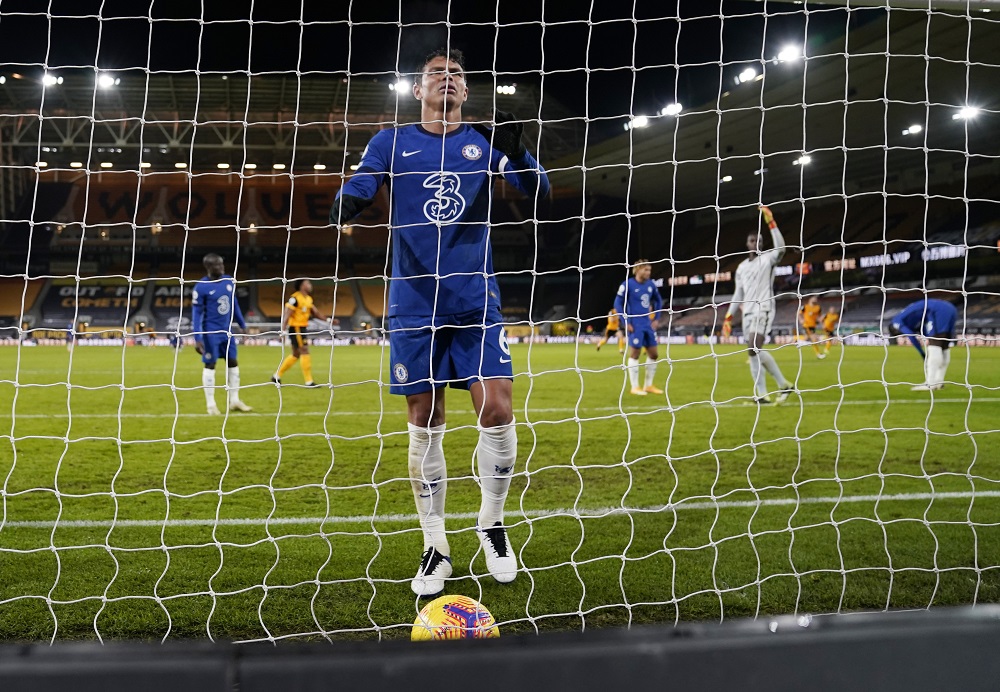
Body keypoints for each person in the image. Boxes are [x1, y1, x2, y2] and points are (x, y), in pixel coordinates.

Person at [330, 48, 549, 597]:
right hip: (411, 303)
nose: (446, 81)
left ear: (466, 92)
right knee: (425, 417)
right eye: (436, 75)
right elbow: (361, 183)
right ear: (417, 90)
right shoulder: (392, 141)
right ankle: (436, 546)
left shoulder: (482, 141)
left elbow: (535, 189)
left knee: (497, 409)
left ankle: (492, 525)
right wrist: (346, 203)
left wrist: (519, 152)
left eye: (456, 75)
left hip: (475, 300)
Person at [721, 206, 795, 404]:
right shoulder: (742, 267)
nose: (756, 243)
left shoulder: (768, 258)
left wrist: (771, 222)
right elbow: (738, 293)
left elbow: (782, 249)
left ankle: (776, 388)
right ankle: (769, 391)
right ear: (747, 243)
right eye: (753, 240)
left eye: (760, 241)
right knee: (754, 352)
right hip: (747, 313)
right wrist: (728, 317)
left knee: (753, 347)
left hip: (763, 308)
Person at [190, 253, 252, 415]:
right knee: (210, 364)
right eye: (217, 265)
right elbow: (196, 314)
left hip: (228, 332)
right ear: (209, 267)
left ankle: (235, 400)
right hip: (210, 333)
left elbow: (234, 304)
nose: (221, 267)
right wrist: (197, 338)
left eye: (222, 264)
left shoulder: (228, 281)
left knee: (233, 362)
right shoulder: (201, 287)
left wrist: (242, 325)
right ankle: (211, 405)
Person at [614, 260, 664, 395]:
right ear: (638, 270)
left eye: (649, 270)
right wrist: (626, 321)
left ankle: (648, 385)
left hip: (648, 323)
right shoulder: (627, 285)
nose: (648, 273)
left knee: (654, 354)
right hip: (634, 323)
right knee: (635, 353)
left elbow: (658, 300)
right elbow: (617, 303)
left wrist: (656, 318)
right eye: (646, 270)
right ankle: (635, 387)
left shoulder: (650, 284)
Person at [887, 297, 958, 391]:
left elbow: (911, 336)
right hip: (950, 308)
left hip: (937, 310)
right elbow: (924, 331)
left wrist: (922, 353)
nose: (901, 335)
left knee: (934, 345)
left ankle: (930, 383)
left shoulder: (897, 322)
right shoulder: (910, 318)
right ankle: (939, 382)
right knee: (944, 346)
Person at [272, 279, 331, 387]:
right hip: (296, 328)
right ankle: (309, 381)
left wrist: (328, 320)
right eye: (307, 283)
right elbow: (286, 315)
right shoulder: (294, 299)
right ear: (302, 286)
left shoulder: (308, 299)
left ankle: (276, 376)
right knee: (304, 350)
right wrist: (282, 331)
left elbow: (315, 313)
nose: (310, 285)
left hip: (302, 328)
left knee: (296, 354)